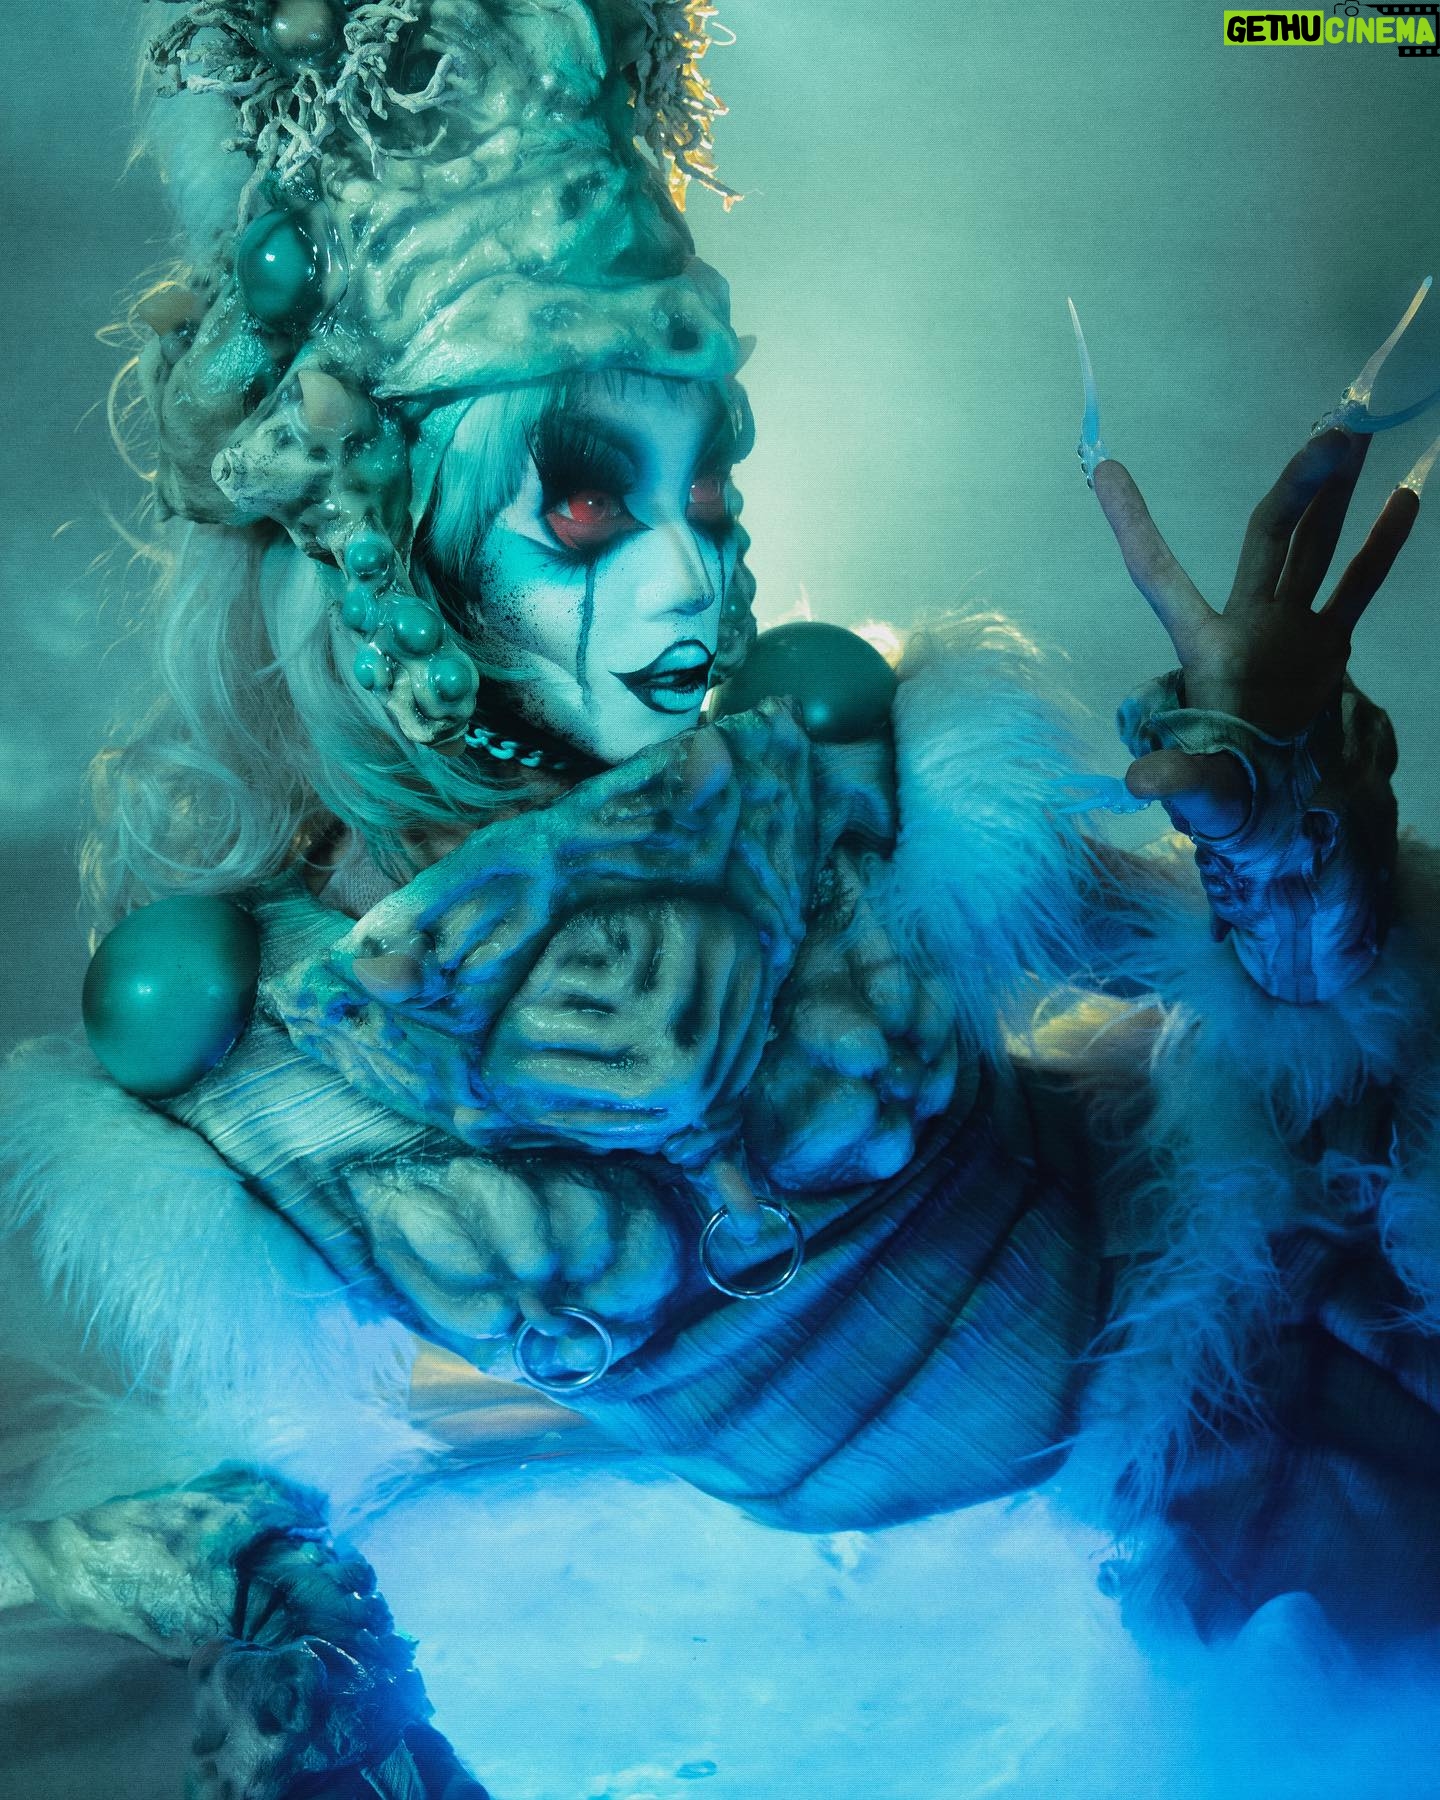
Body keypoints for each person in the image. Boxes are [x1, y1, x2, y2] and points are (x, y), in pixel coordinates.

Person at [2, 1, 1439, 1792]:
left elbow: (1304, 1016)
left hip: (1248, 1405)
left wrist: (1277, 814)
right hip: (842, 1638)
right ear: (389, 540)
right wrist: (251, 1614)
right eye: (584, 501)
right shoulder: (229, 1038)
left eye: (709, 478)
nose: (694, 572)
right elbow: (159, 1493)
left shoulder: (833, 767)